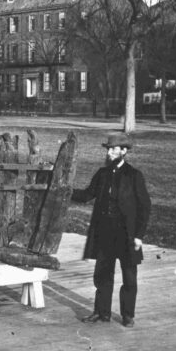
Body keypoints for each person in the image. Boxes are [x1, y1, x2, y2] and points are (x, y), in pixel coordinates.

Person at [71, 132, 151, 328]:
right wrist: (65, 190)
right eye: (108, 149)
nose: (110, 152)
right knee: (102, 275)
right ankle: (101, 312)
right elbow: (87, 195)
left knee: (129, 277)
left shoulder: (134, 175)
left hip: (127, 235)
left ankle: (127, 315)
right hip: (105, 232)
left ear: (124, 151)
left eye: (114, 149)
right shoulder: (102, 174)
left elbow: (145, 207)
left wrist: (139, 235)